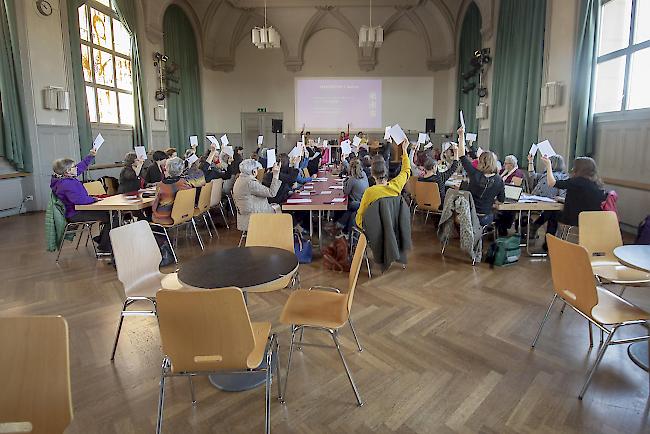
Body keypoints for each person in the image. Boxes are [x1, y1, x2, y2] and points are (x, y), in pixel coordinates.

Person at [50, 148, 112, 252]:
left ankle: (102, 240)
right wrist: (94, 199)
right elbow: (80, 200)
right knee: (111, 215)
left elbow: (81, 166)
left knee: (111, 214)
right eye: (73, 167)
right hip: (76, 213)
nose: (76, 168)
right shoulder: (66, 184)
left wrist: (91, 156)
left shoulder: (66, 179)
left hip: (79, 209)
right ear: (67, 171)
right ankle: (105, 245)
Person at [355, 138, 410, 228]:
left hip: (375, 232)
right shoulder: (397, 185)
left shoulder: (369, 192)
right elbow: (406, 170)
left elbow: (359, 220)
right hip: (394, 229)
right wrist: (404, 150)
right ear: (385, 171)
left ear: (372, 174)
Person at [541, 155, 606, 229]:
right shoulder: (597, 184)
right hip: (590, 220)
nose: (572, 169)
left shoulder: (576, 182)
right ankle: (535, 229)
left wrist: (548, 165)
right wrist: (561, 199)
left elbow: (551, 183)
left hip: (575, 219)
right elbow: (583, 201)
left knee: (551, 213)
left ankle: (544, 236)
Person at [458, 128, 505, 226]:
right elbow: (501, 200)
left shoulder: (474, 174)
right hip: (485, 217)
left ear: (480, 162)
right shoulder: (499, 180)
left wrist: (461, 135)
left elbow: (462, 155)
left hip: (468, 215)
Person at [232, 159, 281, 231]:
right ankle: (275, 235)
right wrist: (276, 174)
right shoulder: (250, 183)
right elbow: (272, 193)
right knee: (277, 207)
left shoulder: (239, 180)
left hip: (244, 218)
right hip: (255, 217)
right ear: (254, 171)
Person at [527, 154, 568, 238]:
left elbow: (562, 192)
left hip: (553, 203)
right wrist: (530, 161)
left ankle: (536, 227)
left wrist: (560, 199)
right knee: (551, 214)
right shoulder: (546, 174)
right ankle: (547, 239)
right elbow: (532, 175)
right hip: (541, 200)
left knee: (552, 213)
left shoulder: (561, 177)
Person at [151, 157, 192, 225]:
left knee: (143, 218)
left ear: (167, 169)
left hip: (165, 217)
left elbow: (154, 206)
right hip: (184, 214)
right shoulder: (186, 182)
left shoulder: (161, 185)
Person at [338, 158, 369, 231]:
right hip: (365, 202)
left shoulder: (352, 179)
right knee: (350, 211)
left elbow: (345, 192)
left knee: (349, 206)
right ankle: (340, 226)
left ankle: (339, 225)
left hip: (358, 203)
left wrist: (345, 181)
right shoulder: (364, 174)